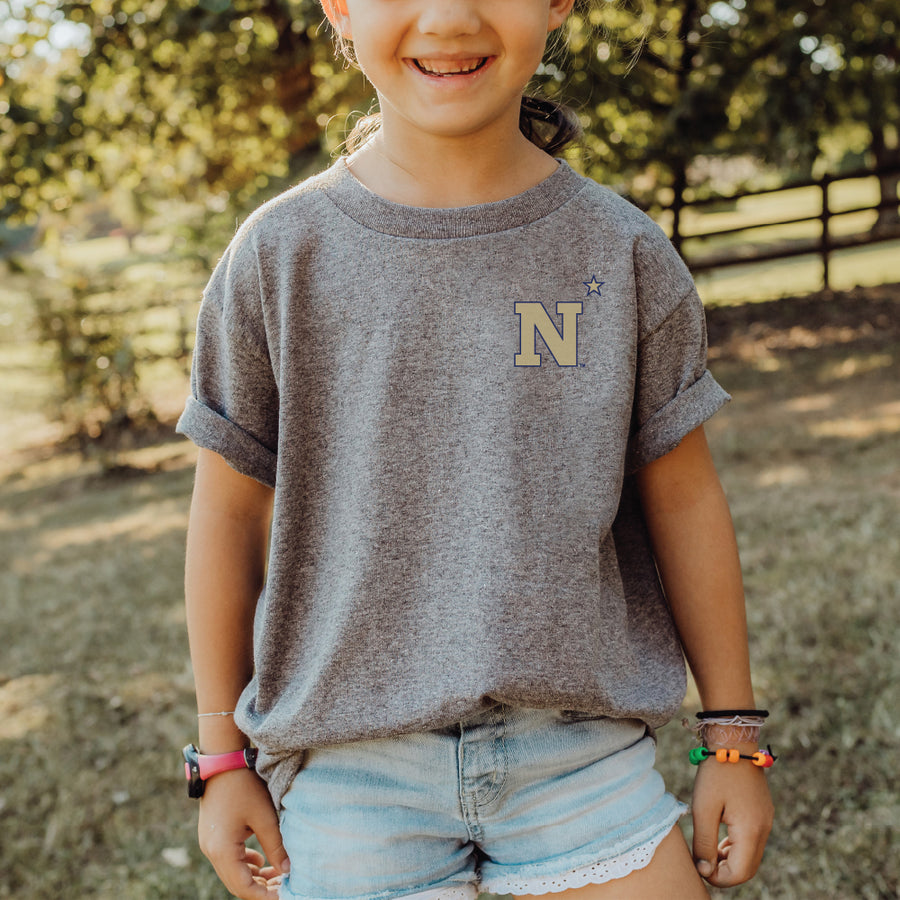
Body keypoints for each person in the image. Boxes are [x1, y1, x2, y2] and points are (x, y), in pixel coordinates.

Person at [177, 1, 775, 898]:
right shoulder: (277, 256)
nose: (450, 16)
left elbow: (685, 500)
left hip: (579, 751)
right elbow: (226, 518)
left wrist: (733, 738)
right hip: (350, 770)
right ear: (339, 7)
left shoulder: (623, 252)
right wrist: (222, 759)